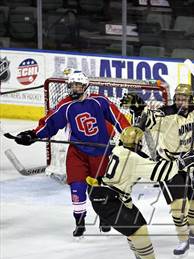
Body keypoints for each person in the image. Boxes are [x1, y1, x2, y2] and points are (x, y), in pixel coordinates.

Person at [13, 70, 130, 237]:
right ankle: (80, 221)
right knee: (77, 187)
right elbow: (50, 123)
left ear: (85, 86)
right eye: (72, 86)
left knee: (100, 189)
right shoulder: (65, 105)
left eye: (78, 86)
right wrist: (32, 134)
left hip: (101, 152)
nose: (74, 89)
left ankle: (104, 217)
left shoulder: (99, 101)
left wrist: (128, 134)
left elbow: (118, 118)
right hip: (78, 152)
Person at [86, 126, 194, 259]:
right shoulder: (133, 158)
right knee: (139, 230)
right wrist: (180, 164)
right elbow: (158, 173)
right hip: (109, 200)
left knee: (135, 226)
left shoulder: (117, 150)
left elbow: (140, 159)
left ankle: (140, 258)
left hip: (110, 196)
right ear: (137, 143)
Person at [138, 83, 194, 256]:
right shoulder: (166, 113)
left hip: (193, 166)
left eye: (184, 99)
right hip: (170, 166)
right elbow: (148, 121)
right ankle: (183, 239)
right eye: (178, 98)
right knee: (179, 206)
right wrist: (140, 111)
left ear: (190, 99)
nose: (180, 101)